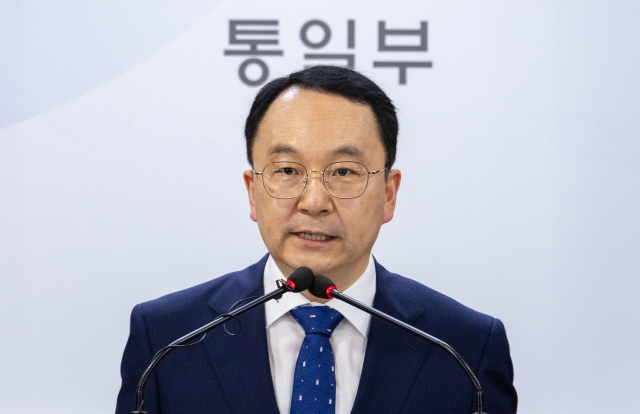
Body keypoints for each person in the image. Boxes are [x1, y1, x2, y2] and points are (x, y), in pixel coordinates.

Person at [116, 66, 517, 414]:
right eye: (287, 169)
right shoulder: (167, 339)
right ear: (253, 191)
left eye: (344, 172)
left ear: (388, 194)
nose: (314, 202)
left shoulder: (465, 348)